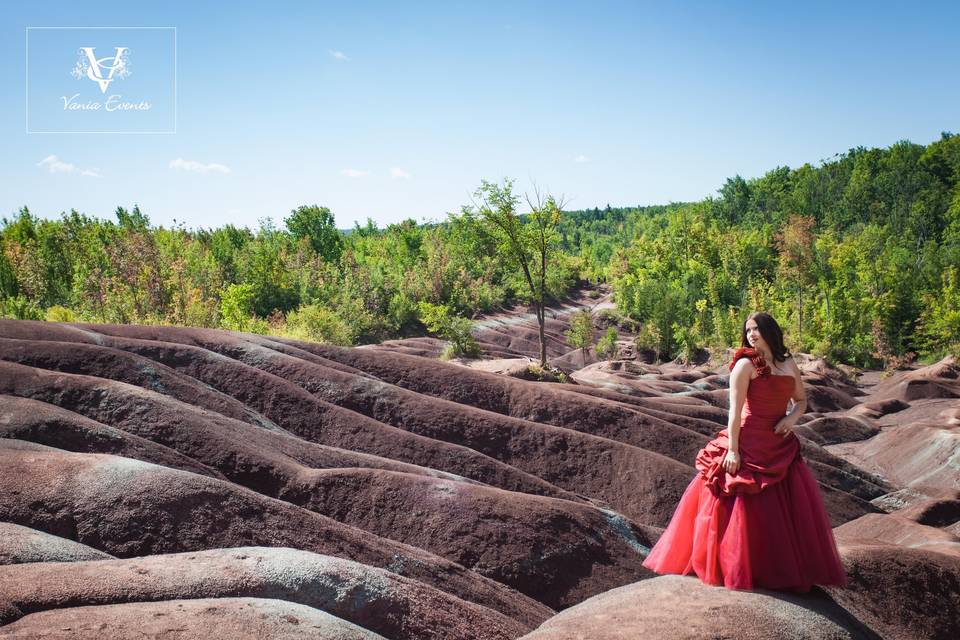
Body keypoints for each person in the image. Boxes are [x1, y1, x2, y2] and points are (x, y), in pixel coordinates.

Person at [641, 311, 847, 591]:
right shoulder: (745, 365)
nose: (751, 334)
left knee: (780, 511)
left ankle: (774, 567)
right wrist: (734, 451)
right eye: (748, 330)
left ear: (769, 331)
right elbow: (734, 413)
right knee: (742, 507)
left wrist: (791, 419)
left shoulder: (788, 363)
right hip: (749, 440)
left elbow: (800, 401)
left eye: (756, 329)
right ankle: (735, 567)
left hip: (779, 444)